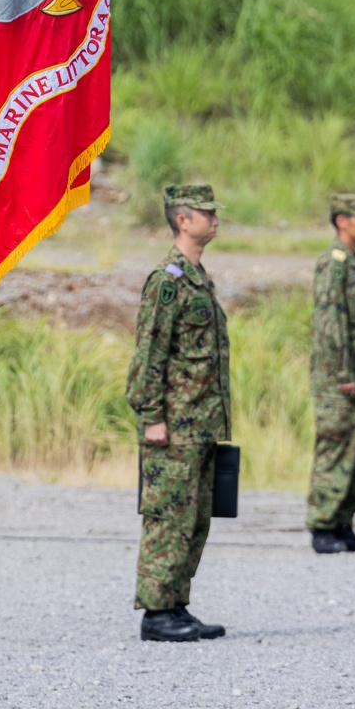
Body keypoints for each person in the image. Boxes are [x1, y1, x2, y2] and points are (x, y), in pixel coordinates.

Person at [126, 183, 229, 644]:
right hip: (174, 424)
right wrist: (151, 416)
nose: (215, 219)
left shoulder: (198, 278)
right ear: (183, 220)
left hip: (202, 422)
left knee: (196, 517)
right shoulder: (167, 281)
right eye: (206, 213)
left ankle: (176, 602)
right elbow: (149, 354)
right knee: (168, 514)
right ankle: (156, 612)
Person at [307, 193, 355, 554]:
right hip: (341, 381)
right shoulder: (333, 264)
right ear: (340, 222)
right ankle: (323, 525)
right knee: (335, 451)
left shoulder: (353, 263)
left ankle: (343, 523)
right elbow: (330, 323)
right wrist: (342, 372)